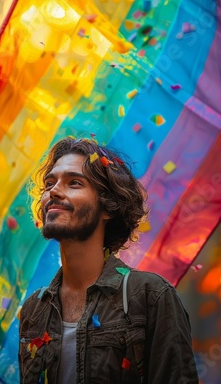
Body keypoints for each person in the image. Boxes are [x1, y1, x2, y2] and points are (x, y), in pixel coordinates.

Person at [19, 137, 198, 383]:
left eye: (74, 183)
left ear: (107, 207)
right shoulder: (33, 310)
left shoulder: (150, 296)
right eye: (49, 183)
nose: (54, 192)